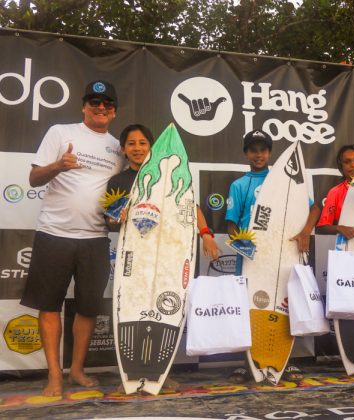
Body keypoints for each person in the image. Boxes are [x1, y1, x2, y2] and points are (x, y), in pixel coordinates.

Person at [20, 80, 125, 397]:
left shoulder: (118, 148)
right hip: (54, 233)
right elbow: (34, 178)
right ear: (84, 106)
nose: (100, 107)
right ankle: (54, 374)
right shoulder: (60, 132)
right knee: (48, 305)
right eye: (94, 102)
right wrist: (57, 165)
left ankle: (77, 370)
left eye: (106, 103)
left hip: (95, 238)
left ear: (114, 112)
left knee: (88, 308)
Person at [225, 129, 320, 383]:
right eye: (253, 149)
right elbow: (231, 225)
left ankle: (284, 361)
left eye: (263, 149)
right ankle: (248, 362)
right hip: (250, 258)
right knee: (248, 308)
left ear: (270, 153)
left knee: (284, 305)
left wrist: (305, 233)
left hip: (282, 254)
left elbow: (314, 208)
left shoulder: (284, 181)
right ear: (246, 153)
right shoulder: (239, 185)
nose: (259, 154)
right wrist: (240, 243)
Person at [104, 123, 219, 260]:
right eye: (131, 144)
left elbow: (191, 207)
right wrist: (115, 219)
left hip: (168, 248)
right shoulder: (117, 181)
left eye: (142, 143)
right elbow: (110, 220)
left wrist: (206, 234)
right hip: (134, 250)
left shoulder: (168, 177)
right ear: (123, 149)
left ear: (152, 148)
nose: (137, 148)